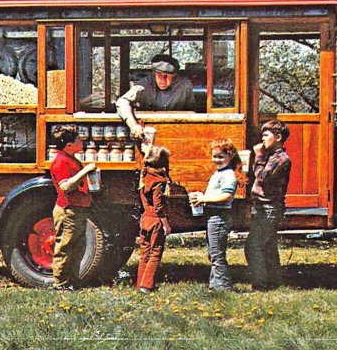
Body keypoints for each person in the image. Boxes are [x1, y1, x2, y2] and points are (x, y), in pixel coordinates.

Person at [48, 125, 97, 290]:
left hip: (76, 209)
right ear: (68, 145)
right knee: (65, 246)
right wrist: (87, 170)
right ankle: (60, 283)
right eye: (78, 140)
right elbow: (66, 186)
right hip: (68, 210)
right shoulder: (60, 162)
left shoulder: (70, 158)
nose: (81, 142)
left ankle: (71, 281)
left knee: (74, 246)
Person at [244, 120, 292, 290]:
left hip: (269, 208)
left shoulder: (281, 158)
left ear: (278, 137)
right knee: (268, 245)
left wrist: (258, 156)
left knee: (253, 246)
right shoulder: (272, 156)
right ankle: (273, 281)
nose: (262, 139)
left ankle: (260, 284)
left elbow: (262, 177)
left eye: (266, 135)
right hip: (263, 207)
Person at [189, 138, 240, 292]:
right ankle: (216, 284)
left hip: (220, 216)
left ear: (230, 156)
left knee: (217, 254)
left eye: (221, 157)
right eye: (214, 156)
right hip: (212, 215)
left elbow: (226, 196)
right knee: (213, 253)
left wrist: (204, 199)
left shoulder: (228, 174)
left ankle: (222, 287)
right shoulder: (219, 173)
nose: (217, 160)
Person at [116, 54, 195, 138]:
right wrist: (133, 125)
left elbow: (191, 111)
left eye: (167, 76)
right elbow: (122, 102)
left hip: (176, 133)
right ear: (154, 73)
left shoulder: (185, 85)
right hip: (147, 133)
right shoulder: (144, 84)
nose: (163, 80)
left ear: (174, 75)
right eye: (159, 75)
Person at [136, 145, 173, 293]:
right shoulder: (159, 180)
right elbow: (158, 206)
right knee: (156, 251)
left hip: (145, 218)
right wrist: (166, 224)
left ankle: (140, 283)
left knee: (145, 252)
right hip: (155, 220)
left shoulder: (145, 175)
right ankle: (147, 285)